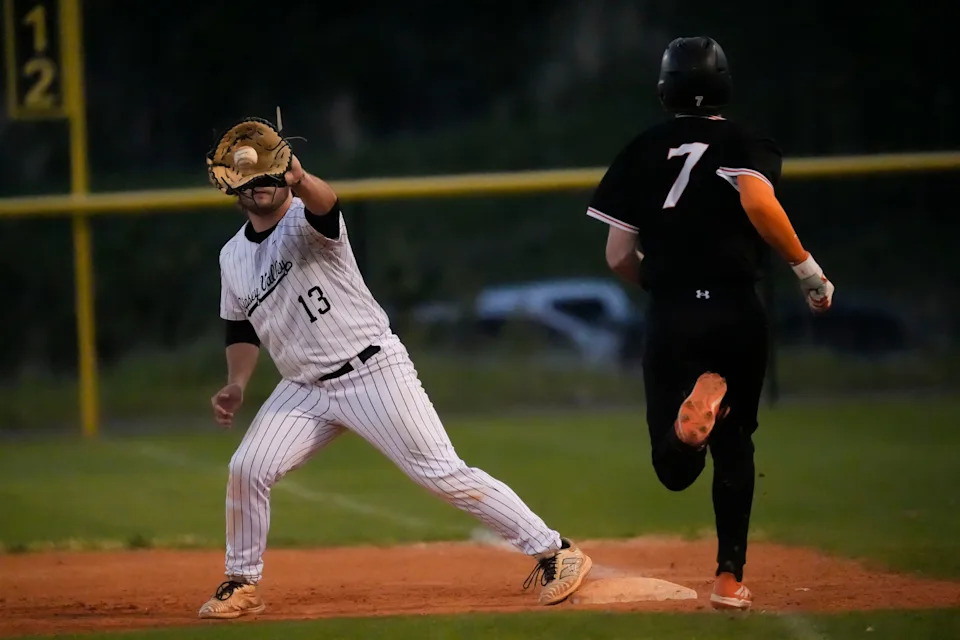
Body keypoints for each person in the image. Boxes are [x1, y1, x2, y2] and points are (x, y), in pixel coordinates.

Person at [198, 139, 592, 619]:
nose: (260, 185)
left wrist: (300, 180)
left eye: (268, 175)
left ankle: (555, 551)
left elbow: (327, 205)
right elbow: (240, 328)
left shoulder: (305, 219)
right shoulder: (232, 256)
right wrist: (237, 382)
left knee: (443, 475)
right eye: (250, 179)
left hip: (370, 369)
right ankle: (241, 583)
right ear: (232, 186)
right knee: (247, 467)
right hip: (302, 387)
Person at [585, 36, 835, 610]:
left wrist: (666, 288)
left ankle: (684, 431)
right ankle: (728, 578)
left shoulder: (641, 149)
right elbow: (758, 203)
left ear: (664, 90)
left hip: (673, 311)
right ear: (725, 86)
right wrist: (808, 271)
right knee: (736, 444)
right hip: (735, 308)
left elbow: (618, 256)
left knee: (673, 470)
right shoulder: (747, 140)